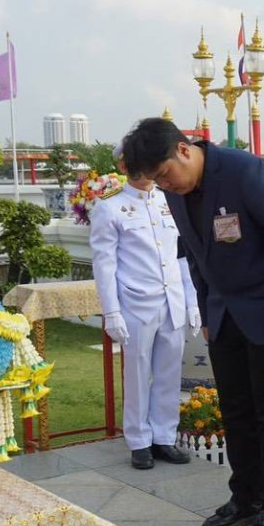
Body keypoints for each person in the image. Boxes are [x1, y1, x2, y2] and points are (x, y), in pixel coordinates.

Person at [121, 118, 264, 526]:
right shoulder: (177, 190)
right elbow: (196, 255)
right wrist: (206, 312)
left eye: (165, 174)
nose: (165, 185)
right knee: (236, 412)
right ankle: (245, 498)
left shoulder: (249, 174)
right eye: (156, 181)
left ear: (184, 150)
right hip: (223, 317)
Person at [88, 170, 201, 469]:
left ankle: (164, 436)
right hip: (136, 302)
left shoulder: (169, 202)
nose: (144, 172)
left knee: (169, 373)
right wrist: (111, 311)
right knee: (137, 373)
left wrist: (192, 301)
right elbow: (104, 264)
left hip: (172, 299)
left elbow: (182, 256)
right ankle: (139, 440)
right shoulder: (109, 207)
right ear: (125, 167)